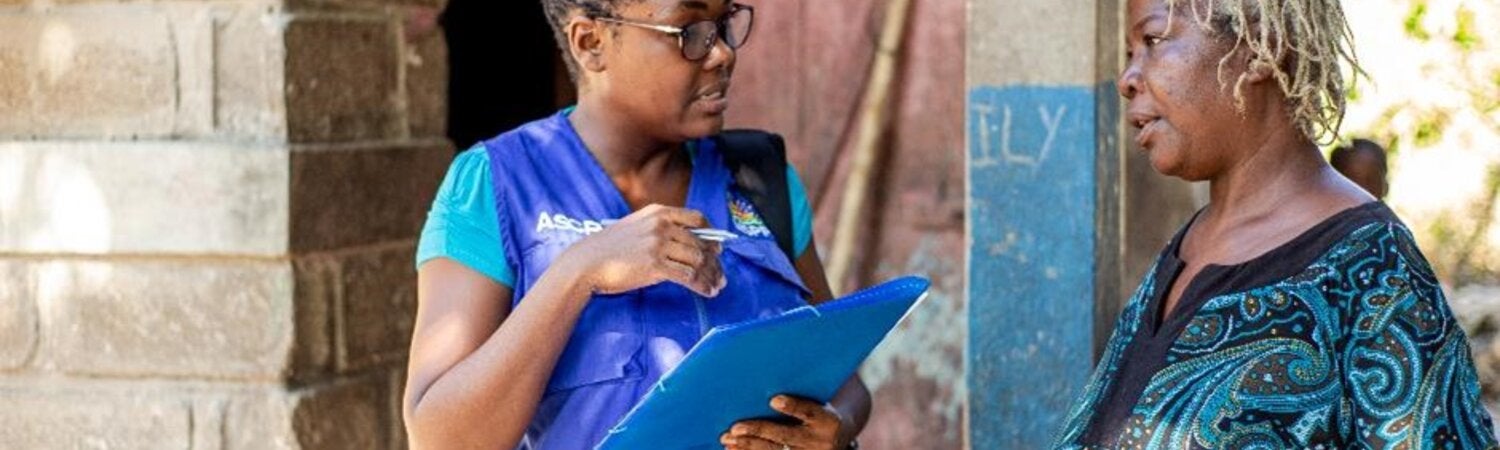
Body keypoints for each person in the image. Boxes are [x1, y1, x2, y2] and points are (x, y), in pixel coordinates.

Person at [400, 1, 871, 449]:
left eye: (725, 23)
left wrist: (838, 427)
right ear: (591, 42)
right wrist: (579, 272)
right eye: (689, 32)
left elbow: (842, 378)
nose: (723, 52)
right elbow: (439, 438)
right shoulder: (498, 184)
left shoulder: (760, 179)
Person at [1054, 0, 1498, 448]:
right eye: (1130, 54)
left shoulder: (1372, 267)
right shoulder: (1186, 249)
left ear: (1262, 48)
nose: (1127, 79)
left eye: (1152, 40)